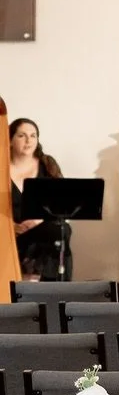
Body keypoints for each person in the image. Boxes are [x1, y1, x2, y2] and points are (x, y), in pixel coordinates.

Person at [8, 118, 71, 280]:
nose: (28, 140)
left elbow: (62, 201)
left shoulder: (47, 164)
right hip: (12, 232)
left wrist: (37, 221)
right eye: (21, 135)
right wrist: (10, 227)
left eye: (33, 135)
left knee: (61, 230)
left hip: (43, 227)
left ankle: (52, 287)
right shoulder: (1, 168)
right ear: (10, 140)